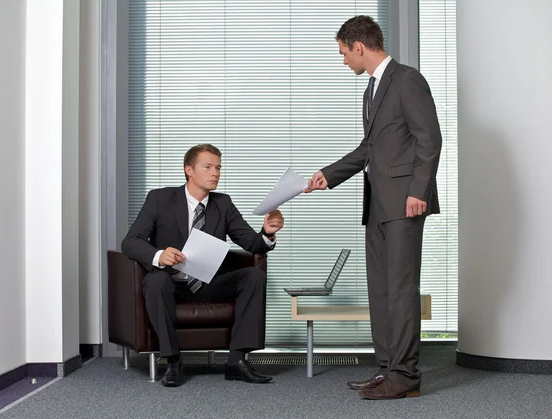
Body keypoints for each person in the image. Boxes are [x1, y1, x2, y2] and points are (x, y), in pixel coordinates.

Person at [305, 16, 442, 400]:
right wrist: (327, 176)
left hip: (405, 204)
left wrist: (419, 191)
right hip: (378, 204)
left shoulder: (407, 80)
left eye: (343, 53)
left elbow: (429, 139)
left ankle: (405, 377)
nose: (343, 60)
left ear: (359, 47)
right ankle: (386, 370)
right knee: (380, 291)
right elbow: (370, 149)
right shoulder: (372, 89)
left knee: (400, 290)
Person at [122, 143, 284, 387]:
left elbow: (252, 243)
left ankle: (236, 361)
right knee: (156, 280)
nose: (215, 173)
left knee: (253, 276)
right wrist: (159, 255)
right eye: (208, 167)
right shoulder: (160, 199)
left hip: (207, 283)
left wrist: (267, 233)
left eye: (218, 167)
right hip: (170, 284)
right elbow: (130, 242)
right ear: (189, 169)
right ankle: (173, 361)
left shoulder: (223, 203)